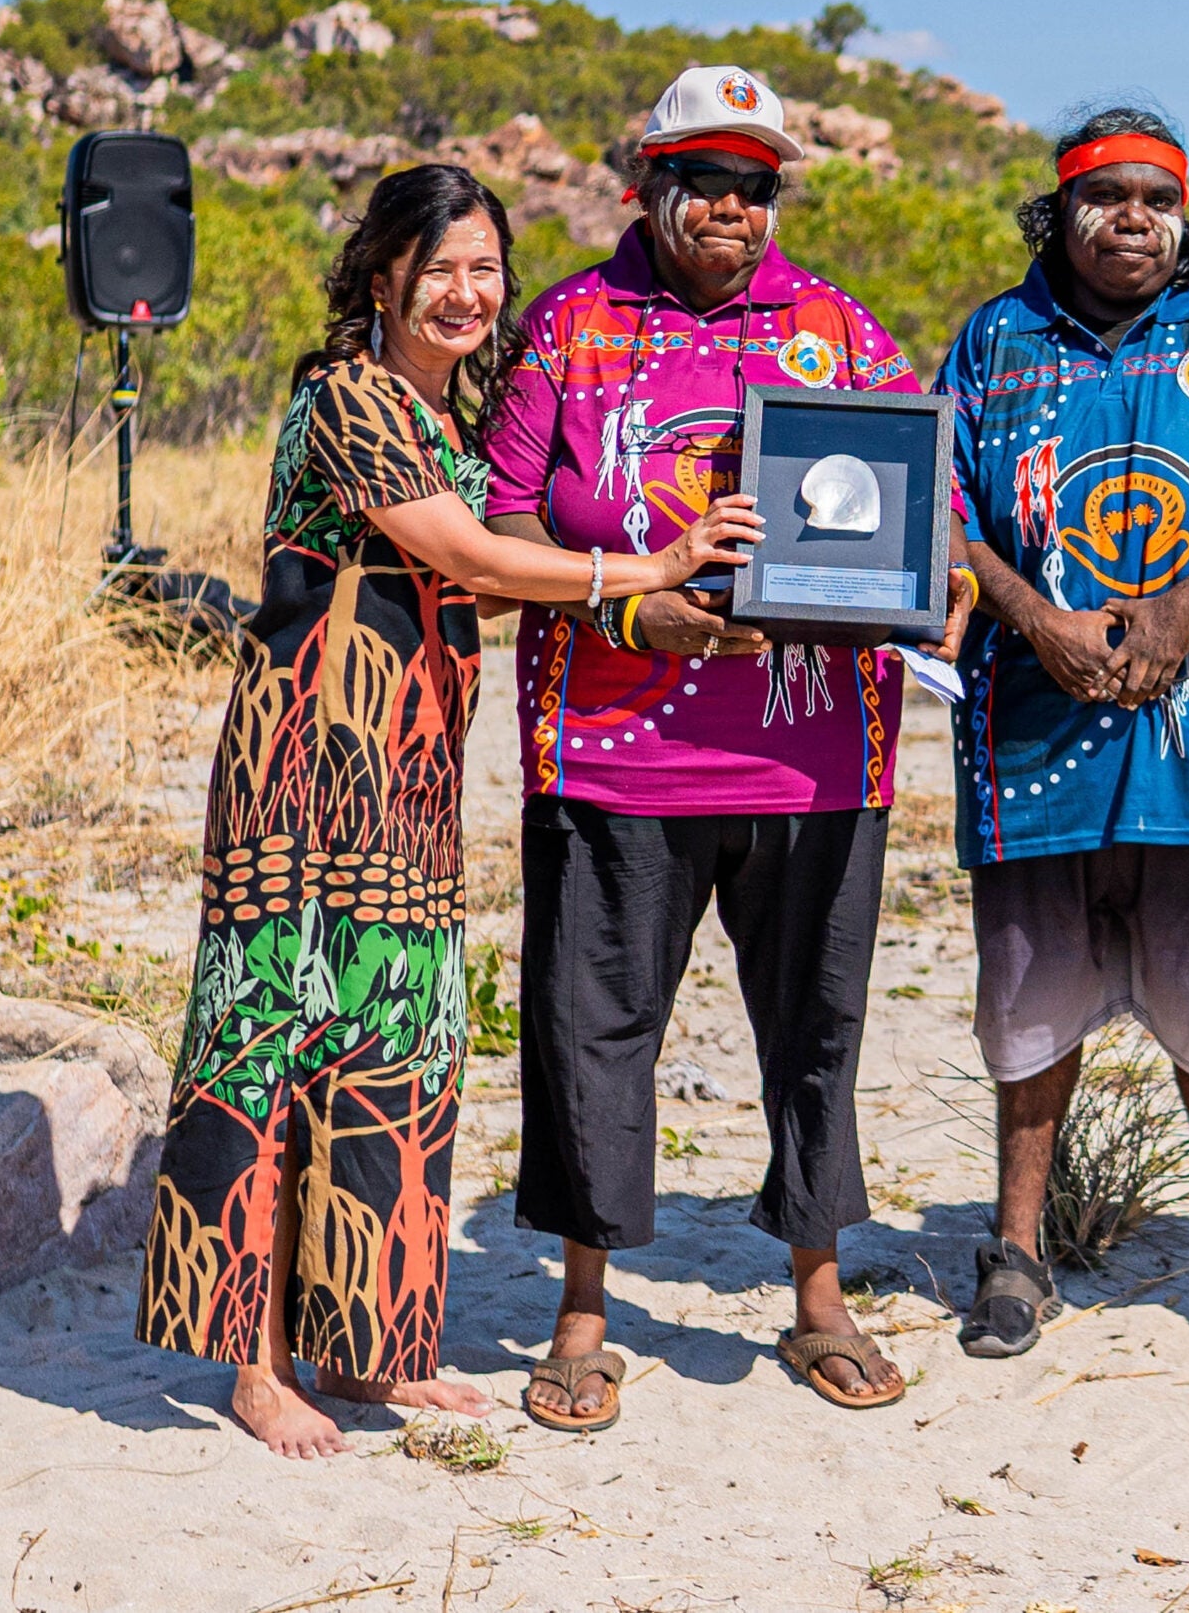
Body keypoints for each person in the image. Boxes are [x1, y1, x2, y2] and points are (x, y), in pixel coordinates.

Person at [137, 164, 760, 1458]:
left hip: (411, 763)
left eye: (489, 269)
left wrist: (669, 583)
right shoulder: (351, 399)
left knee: (394, 1043)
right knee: (281, 1042)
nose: (470, 293)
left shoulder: (436, 418)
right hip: (308, 760)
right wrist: (647, 564)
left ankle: (366, 1348)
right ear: (384, 279)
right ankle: (255, 1364)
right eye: (444, 270)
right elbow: (475, 560)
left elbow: (491, 577)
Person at [483, 66, 971, 1427]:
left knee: (814, 1024)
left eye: (756, 183)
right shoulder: (573, 326)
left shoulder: (839, 329)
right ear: (641, 180)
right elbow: (508, 524)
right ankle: (583, 1305)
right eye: (701, 176)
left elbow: (918, 506)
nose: (730, 205)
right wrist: (639, 601)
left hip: (816, 760)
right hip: (610, 752)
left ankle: (818, 1292)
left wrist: (932, 580)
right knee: (595, 1028)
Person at [936, 104, 1189, 1364]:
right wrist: (1030, 614)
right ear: (1058, 213)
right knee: (1027, 994)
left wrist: (1180, 608)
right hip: (1034, 728)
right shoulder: (992, 342)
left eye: (1156, 200)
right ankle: (1016, 1251)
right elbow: (938, 509)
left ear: (1182, 215)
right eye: (1105, 198)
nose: (1133, 221)